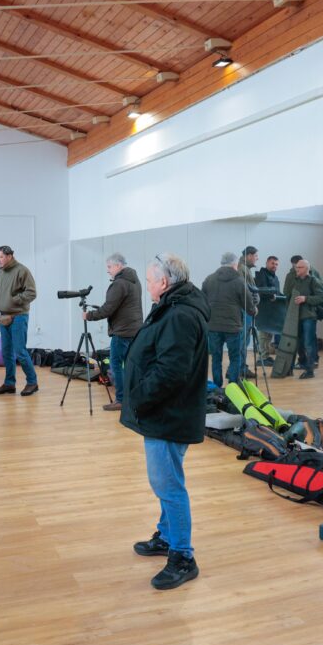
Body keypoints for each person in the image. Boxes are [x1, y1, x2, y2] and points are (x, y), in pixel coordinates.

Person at [121, 253, 210, 590]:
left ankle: (183, 557)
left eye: (149, 280)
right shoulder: (174, 306)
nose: (146, 286)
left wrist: (138, 398)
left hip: (168, 415)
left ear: (164, 282)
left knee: (168, 486)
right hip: (168, 413)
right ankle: (167, 535)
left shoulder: (179, 315)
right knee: (167, 481)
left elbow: (171, 371)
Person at [83, 253, 143, 411]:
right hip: (135, 330)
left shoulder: (119, 284)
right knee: (129, 366)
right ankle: (131, 399)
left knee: (115, 364)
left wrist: (89, 315)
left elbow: (108, 309)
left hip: (122, 332)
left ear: (118, 265)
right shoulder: (134, 280)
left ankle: (121, 400)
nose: (108, 270)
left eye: (109, 267)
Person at [0, 245, 38, 396]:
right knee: (6, 352)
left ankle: (32, 382)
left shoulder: (22, 271)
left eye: (1, 257)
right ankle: (9, 383)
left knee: (20, 351)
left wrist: (13, 300)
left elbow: (32, 293)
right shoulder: (0, 271)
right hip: (3, 316)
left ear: (9, 256)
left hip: (18, 317)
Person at [201, 252, 255, 387]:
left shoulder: (209, 279)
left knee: (216, 358)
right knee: (235, 358)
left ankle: (217, 388)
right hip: (233, 327)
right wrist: (255, 310)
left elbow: (202, 301)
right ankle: (233, 387)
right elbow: (249, 306)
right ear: (235, 264)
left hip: (213, 327)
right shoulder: (239, 281)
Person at [288, 259, 323, 380]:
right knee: (298, 342)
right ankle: (300, 364)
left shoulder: (314, 281)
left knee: (309, 343)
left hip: (309, 316)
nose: (297, 269)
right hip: (296, 316)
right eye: (297, 267)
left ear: (306, 269)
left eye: (300, 267)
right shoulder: (295, 280)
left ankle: (310, 370)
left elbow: (322, 297)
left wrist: (306, 299)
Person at [237, 246, 260, 378]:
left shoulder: (244, 268)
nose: (257, 258)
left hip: (246, 309)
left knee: (244, 341)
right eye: (256, 256)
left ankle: (239, 367)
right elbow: (244, 291)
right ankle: (240, 369)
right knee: (243, 341)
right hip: (245, 310)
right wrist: (252, 307)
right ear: (249, 256)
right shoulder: (242, 269)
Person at [253, 255, 281, 365]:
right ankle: (262, 358)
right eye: (272, 263)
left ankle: (265, 356)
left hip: (271, 311)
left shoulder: (275, 277)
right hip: (263, 310)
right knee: (264, 334)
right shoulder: (261, 275)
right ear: (267, 263)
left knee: (269, 335)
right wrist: (271, 295)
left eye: (276, 264)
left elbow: (277, 292)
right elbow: (261, 290)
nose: (274, 266)